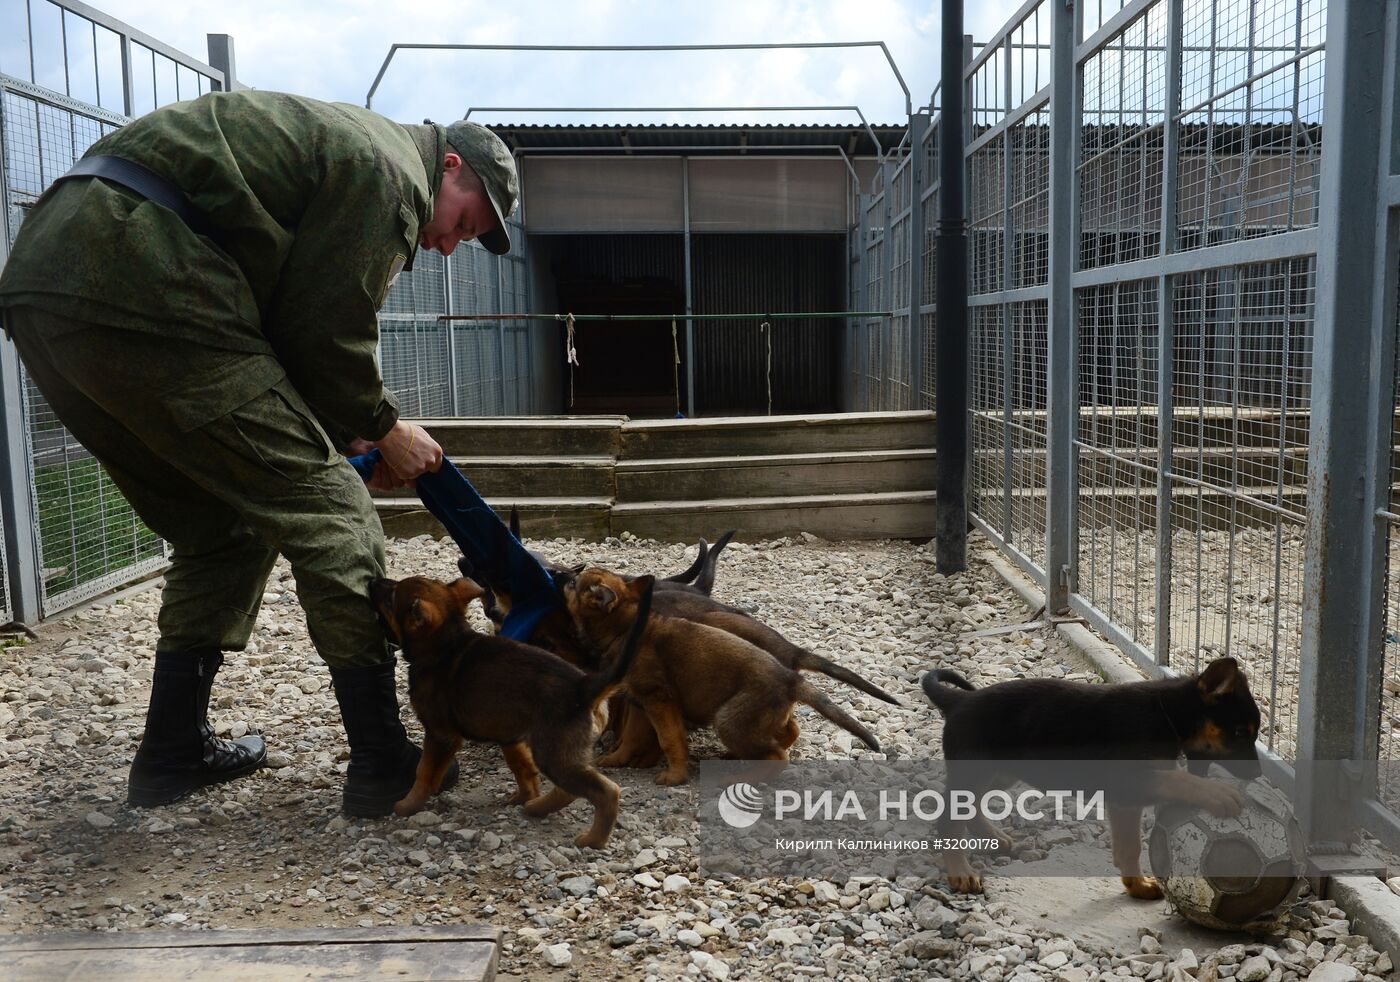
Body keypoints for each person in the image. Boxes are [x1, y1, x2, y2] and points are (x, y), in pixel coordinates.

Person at [0, 89, 519, 816]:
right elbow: (324, 330)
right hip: (147, 276)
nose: (447, 245)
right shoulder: (392, 170)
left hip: (47, 284)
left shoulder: (348, 145)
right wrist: (385, 425)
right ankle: (381, 761)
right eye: (465, 222)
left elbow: (286, 327)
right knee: (334, 510)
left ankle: (171, 750)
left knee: (223, 521)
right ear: (451, 166)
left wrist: (346, 426)